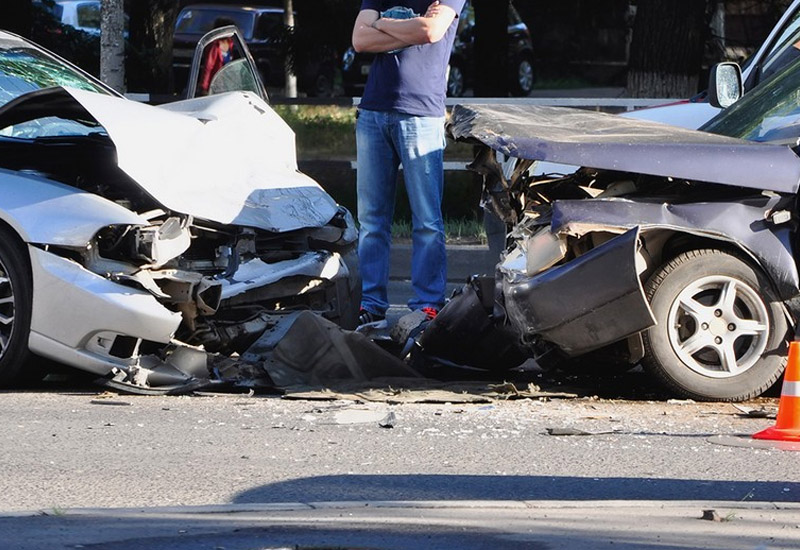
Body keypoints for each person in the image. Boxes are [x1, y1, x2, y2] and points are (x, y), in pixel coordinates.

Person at [351, 0, 466, 327]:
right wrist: (410, 29)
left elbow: (431, 31)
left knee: (427, 220)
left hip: (421, 115)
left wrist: (381, 24)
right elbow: (360, 41)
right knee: (372, 220)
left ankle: (428, 304)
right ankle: (370, 303)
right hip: (373, 113)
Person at [199, 18, 237, 95]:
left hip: (227, 83)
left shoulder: (231, 44)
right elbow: (208, 67)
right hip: (215, 83)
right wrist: (204, 86)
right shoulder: (215, 46)